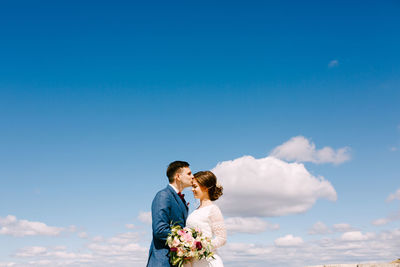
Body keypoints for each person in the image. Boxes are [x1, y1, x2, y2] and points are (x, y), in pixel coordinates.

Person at [146, 161, 194, 267]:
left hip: (177, 261)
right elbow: (160, 230)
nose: (193, 177)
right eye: (189, 174)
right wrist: (187, 241)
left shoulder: (182, 200)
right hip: (163, 260)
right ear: (178, 176)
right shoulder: (163, 195)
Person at [185, 171, 226, 267]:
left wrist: (201, 246)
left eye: (195, 186)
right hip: (195, 261)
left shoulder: (213, 209)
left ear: (205, 188)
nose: (192, 189)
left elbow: (222, 239)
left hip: (209, 261)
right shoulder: (195, 211)